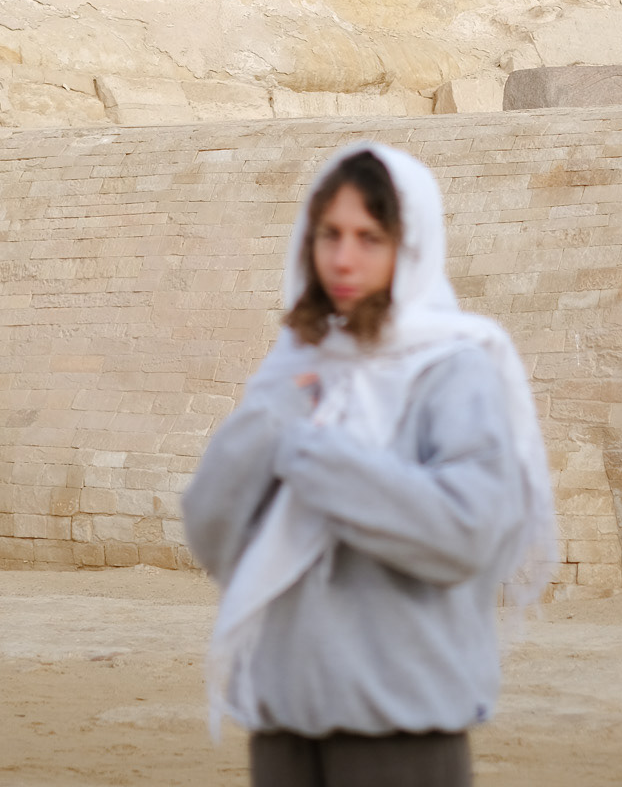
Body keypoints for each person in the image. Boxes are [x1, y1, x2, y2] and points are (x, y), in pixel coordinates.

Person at [183, 141, 558, 787]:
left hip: (399, 728)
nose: (342, 259)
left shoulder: (454, 369)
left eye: (369, 238)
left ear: (409, 247)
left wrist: (314, 458)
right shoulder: (296, 368)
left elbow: (466, 531)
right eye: (329, 234)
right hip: (284, 724)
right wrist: (273, 415)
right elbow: (212, 532)